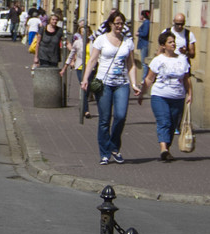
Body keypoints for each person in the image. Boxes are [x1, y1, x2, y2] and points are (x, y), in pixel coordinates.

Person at [82, 11, 142, 165]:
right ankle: (104, 153)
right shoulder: (101, 40)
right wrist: (85, 79)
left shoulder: (127, 41)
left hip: (122, 83)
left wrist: (134, 83)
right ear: (110, 24)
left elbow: (130, 64)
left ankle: (114, 148)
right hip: (104, 83)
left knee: (121, 116)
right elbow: (93, 60)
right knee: (104, 119)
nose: (119, 26)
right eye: (117, 23)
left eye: (122, 24)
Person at [140, 30, 192, 161]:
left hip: (178, 97)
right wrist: (142, 93)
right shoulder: (158, 60)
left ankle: (166, 148)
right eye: (170, 42)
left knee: (173, 124)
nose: (173, 44)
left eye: (174, 41)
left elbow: (186, 78)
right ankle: (163, 149)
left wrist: (190, 94)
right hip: (160, 95)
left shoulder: (182, 59)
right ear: (163, 45)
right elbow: (149, 78)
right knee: (164, 121)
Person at [60, 19, 91, 118]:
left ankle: (82, 104)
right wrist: (65, 67)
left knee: (89, 88)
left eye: (86, 32)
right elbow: (71, 55)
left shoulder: (94, 43)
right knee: (84, 87)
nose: (84, 34)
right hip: (80, 67)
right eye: (82, 33)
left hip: (91, 68)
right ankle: (85, 110)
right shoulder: (78, 43)